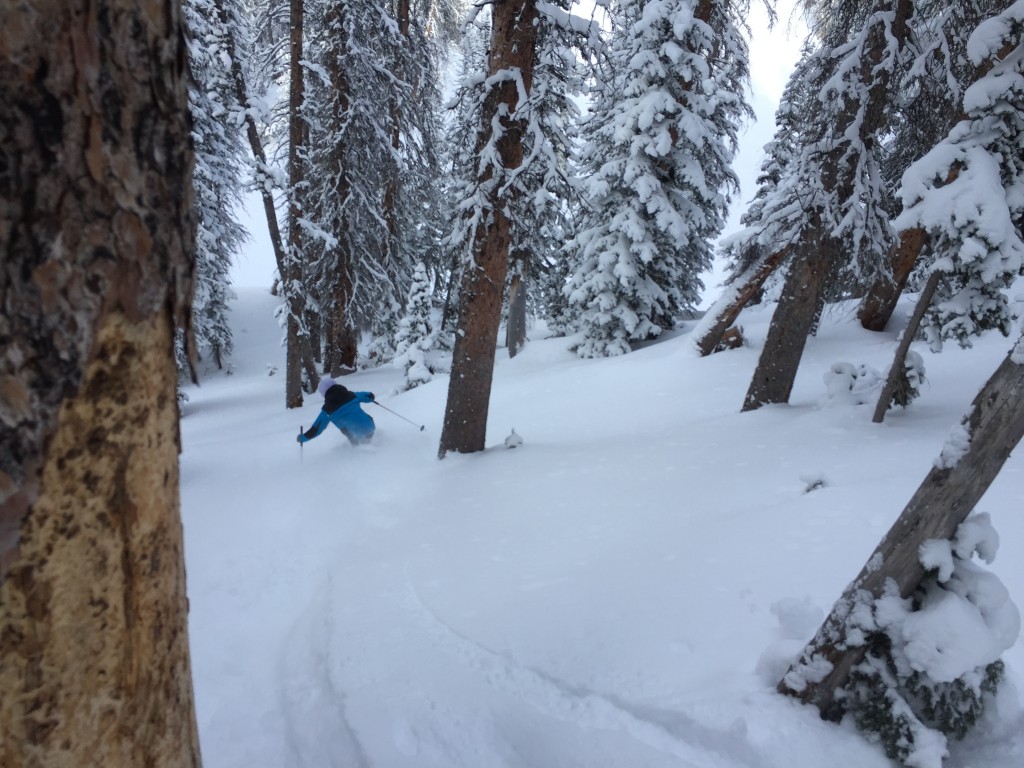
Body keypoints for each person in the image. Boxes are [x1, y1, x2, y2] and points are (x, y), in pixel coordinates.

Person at [298, 377, 376, 446]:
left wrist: (303, 438)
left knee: (349, 432)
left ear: (324, 393)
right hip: (370, 426)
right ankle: (371, 445)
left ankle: (359, 450)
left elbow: (316, 429)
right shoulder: (352, 395)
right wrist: (371, 397)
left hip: (355, 436)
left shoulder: (327, 410)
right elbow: (369, 396)